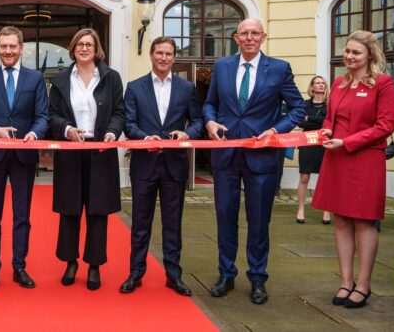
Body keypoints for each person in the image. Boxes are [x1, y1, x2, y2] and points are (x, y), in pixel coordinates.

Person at [204, 18, 306, 304]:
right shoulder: (222, 66)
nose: (249, 38)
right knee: (225, 217)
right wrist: (210, 122)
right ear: (236, 38)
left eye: (255, 33)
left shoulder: (279, 68)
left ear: (263, 37)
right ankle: (226, 273)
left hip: (262, 157)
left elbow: (298, 108)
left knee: (259, 220)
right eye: (244, 33)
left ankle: (258, 277)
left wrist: (276, 130)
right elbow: (210, 103)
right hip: (226, 155)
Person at [312, 30, 394, 309]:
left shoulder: (383, 84)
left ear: (370, 55)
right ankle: (345, 282)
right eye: (347, 51)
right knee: (340, 220)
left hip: (364, 159)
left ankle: (363, 285)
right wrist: (326, 130)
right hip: (336, 157)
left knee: (363, 221)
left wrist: (346, 141)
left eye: (355, 52)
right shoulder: (338, 83)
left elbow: (385, 126)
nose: (349, 56)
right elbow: (329, 117)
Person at [119, 36, 203, 297]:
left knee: (172, 223)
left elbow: (198, 122)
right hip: (145, 163)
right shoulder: (134, 87)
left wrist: (187, 134)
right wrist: (144, 137)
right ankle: (136, 272)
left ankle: (173, 275)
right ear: (152, 56)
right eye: (159, 53)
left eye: (168, 53)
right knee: (140, 223)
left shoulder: (187, 88)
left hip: (174, 165)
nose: (164, 58)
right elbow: (128, 123)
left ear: (174, 57)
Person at [49, 28, 124, 290]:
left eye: (89, 45)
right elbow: (53, 115)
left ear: (96, 49)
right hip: (71, 150)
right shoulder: (60, 80)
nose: (83, 48)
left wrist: (113, 131)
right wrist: (66, 129)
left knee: (97, 211)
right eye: (79, 44)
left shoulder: (111, 77)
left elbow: (118, 111)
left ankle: (94, 265)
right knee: (69, 210)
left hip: (101, 150)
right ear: (73, 48)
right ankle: (70, 261)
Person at [0, 26, 48, 290]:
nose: (8, 51)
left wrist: (33, 133)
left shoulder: (35, 79)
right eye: (3, 46)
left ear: (21, 48)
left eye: (12, 46)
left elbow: (42, 116)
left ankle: (19, 266)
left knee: (22, 216)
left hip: (23, 156)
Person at [296, 76, 331, 224]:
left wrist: (309, 119)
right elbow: (299, 121)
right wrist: (318, 121)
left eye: (323, 83)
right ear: (312, 87)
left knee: (326, 178)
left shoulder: (330, 105)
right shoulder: (304, 104)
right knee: (304, 177)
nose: (321, 85)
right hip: (307, 143)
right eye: (318, 83)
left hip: (324, 144)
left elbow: (329, 122)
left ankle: (326, 210)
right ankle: (301, 209)